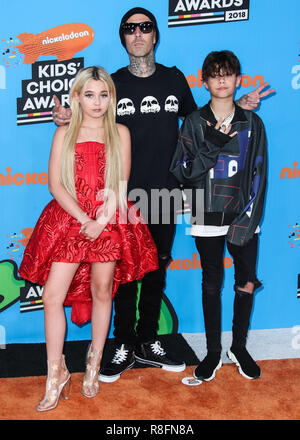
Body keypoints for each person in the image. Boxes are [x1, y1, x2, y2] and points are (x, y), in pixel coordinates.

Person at [52, 7, 273, 383]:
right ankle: (122, 342)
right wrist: (66, 117)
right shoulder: (114, 83)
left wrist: (240, 104)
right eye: (130, 29)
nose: (138, 34)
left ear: (155, 35)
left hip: (166, 193)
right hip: (120, 195)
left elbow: (202, 119)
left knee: (155, 269)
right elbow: (91, 116)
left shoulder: (173, 79)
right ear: (123, 38)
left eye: (145, 27)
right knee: (121, 273)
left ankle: (148, 339)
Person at [19, 66, 158, 411]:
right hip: (70, 220)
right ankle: (56, 374)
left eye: (104, 94)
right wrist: (83, 219)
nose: (97, 102)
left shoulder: (120, 133)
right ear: (77, 97)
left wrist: (101, 221)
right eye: (90, 94)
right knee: (52, 296)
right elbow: (55, 184)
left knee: (101, 291)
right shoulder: (64, 133)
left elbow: (121, 185)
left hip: (108, 219)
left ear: (111, 97)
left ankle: (93, 363)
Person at [170, 50, 267, 381]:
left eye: (228, 73)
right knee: (211, 285)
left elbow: (258, 174)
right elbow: (182, 172)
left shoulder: (252, 122)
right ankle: (213, 352)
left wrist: (248, 219)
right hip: (204, 213)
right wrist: (212, 142)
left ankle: (238, 348)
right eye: (215, 74)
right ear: (205, 81)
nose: (222, 80)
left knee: (246, 283)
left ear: (238, 78)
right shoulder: (195, 122)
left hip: (243, 215)